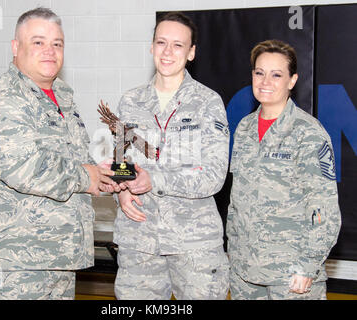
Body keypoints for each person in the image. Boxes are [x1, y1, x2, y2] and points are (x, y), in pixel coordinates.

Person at [0, 7, 119, 300]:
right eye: (38, 42)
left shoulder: (62, 98)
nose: (50, 51)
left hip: (57, 259)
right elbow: (24, 167)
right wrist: (86, 176)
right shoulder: (3, 99)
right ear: (15, 47)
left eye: (57, 43)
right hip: (10, 267)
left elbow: (69, 165)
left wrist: (100, 177)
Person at [112, 12, 230, 300]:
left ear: (191, 53)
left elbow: (214, 176)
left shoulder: (208, 102)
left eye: (178, 45)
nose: (167, 52)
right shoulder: (130, 101)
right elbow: (121, 162)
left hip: (194, 246)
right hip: (139, 240)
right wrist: (122, 193)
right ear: (151, 47)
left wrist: (155, 179)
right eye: (161, 42)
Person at [226, 39, 341, 300]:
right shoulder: (244, 128)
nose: (265, 81)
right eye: (259, 73)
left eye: (276, 74)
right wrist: (233, 251)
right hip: (245, 271)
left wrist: (308, 264)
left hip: (290, 275)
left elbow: (323, 207)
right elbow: (238, 197)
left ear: (292, 81)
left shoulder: (308, 132)